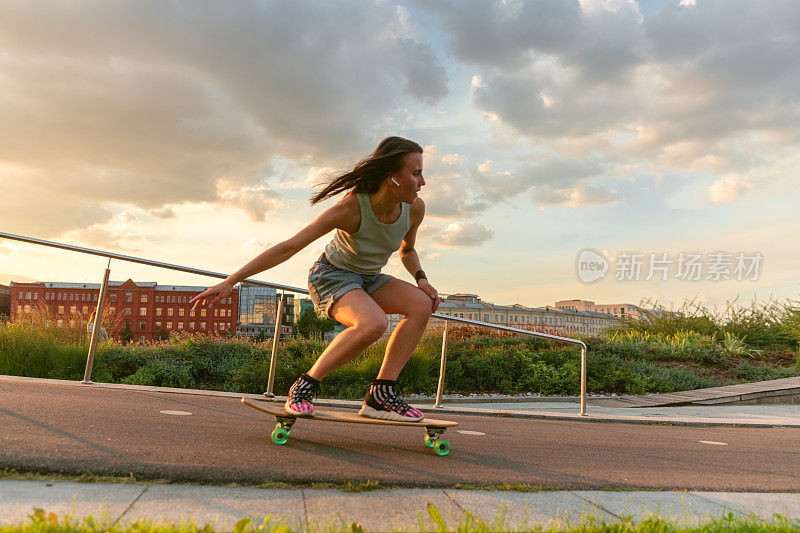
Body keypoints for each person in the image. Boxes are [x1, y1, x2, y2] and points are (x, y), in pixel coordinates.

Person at [190, 137, 440, 421]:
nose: (423, 182)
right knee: (374, 323)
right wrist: (231, 280)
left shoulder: (414, 209)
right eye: (416, 173)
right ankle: (304, 386)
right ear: (392, 178)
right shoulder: (351, 209)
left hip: (370, 278)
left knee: (422, 304)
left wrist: (421, 279)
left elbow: (407, 250)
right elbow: (289, 247)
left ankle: (380, 395)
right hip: (331, 276)